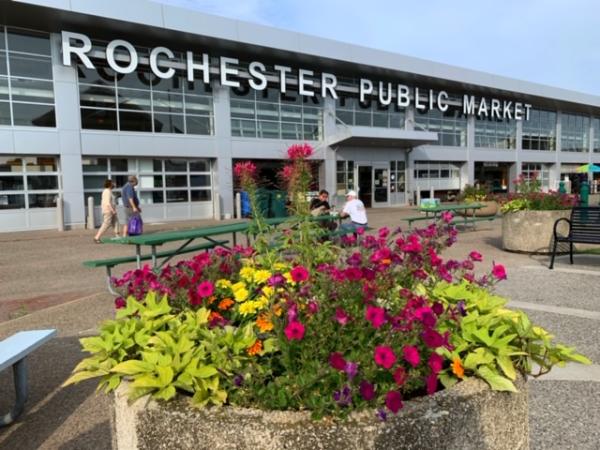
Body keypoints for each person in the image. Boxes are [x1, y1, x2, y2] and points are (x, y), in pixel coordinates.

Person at [94, 179, 119, 243]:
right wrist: (112, 210)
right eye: (113, 183)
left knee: (115, 221)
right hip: (108, 211)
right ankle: (97, 237)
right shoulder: (107, 191)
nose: (114, 184)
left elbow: (112, 201)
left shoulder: (110, 191)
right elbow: (107, 203)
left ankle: (117, 235)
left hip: (111, 210)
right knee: (106, 224)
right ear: (110, 184)